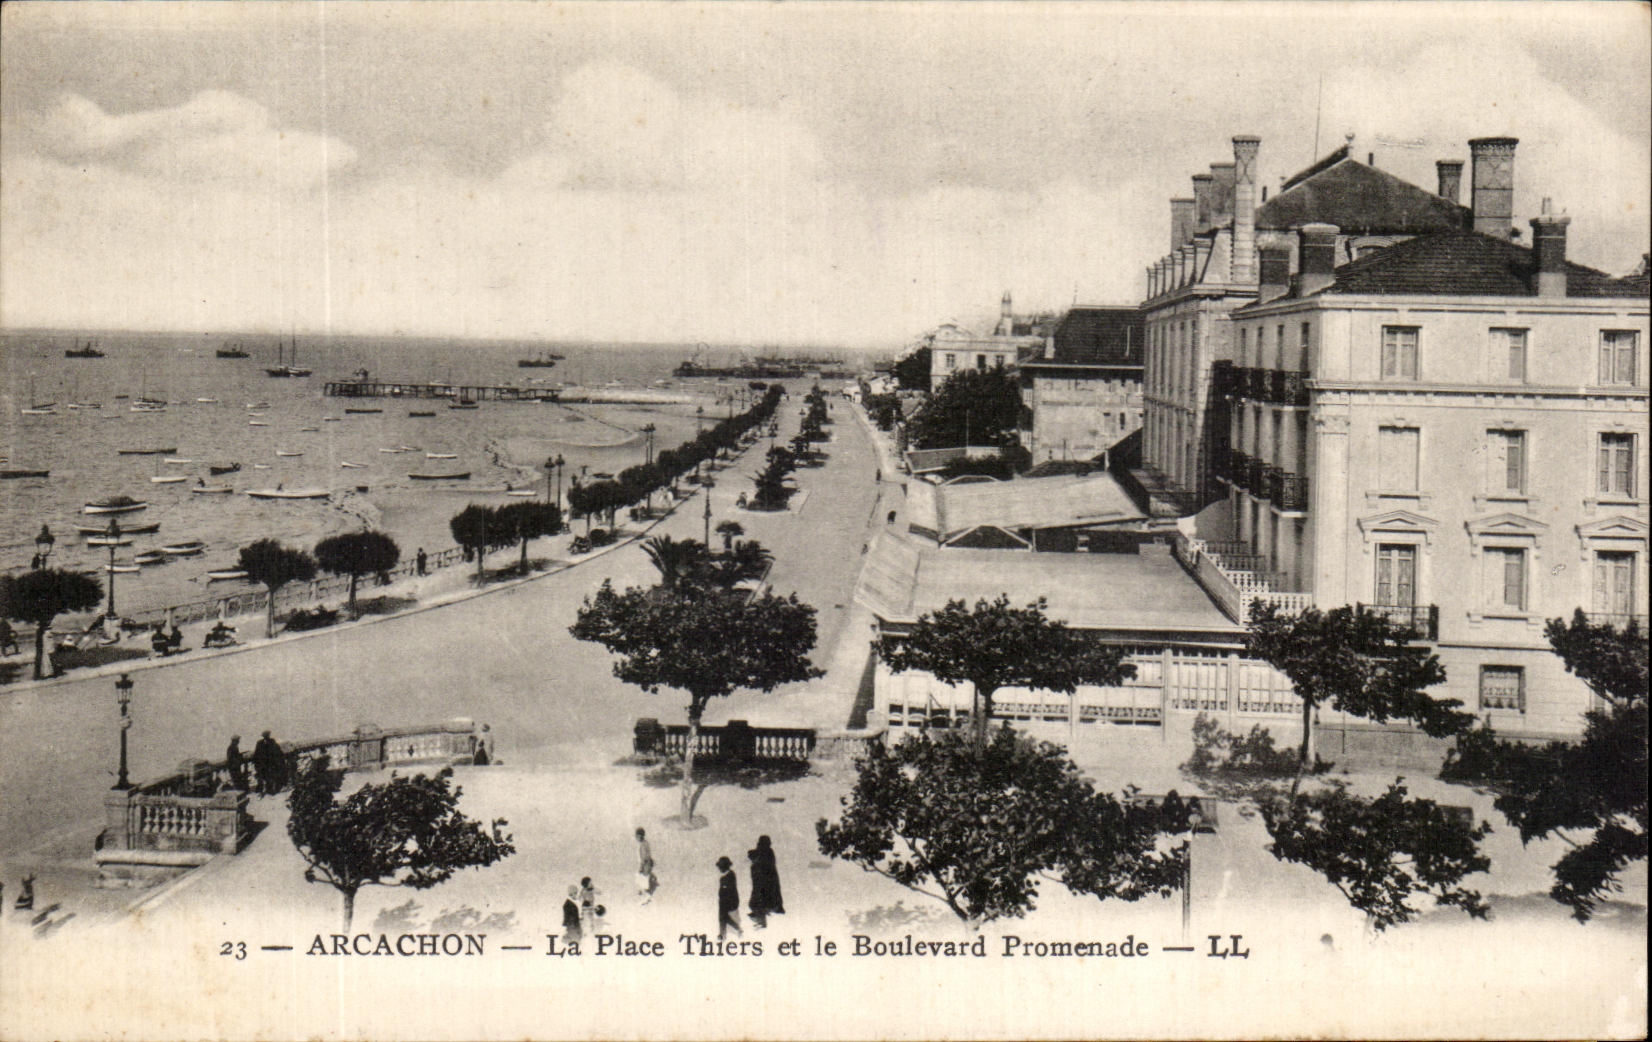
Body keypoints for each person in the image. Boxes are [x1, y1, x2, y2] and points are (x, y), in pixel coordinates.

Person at [747, 835, 785, 928]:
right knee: (761, 902)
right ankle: (761, 920)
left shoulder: (765, 853)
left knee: (759, 902)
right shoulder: (768, 852)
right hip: (766, 881)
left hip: (763, 882)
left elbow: (756, 858)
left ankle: (761, 922)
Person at [716, 856, 742, 940]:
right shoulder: (724, 877)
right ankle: (725, 933)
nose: (719, 869)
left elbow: (729, 890)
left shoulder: (730, 875)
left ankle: (724, 934)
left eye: (720, 867)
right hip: (724, 901)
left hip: (731, 901)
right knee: (722, 915)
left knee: (722, 915)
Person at [252, 730, 283, 796]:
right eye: (265, 736)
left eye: (267, 736)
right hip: (263, 764)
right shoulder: (259, 743)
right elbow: (256, 753)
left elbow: (277, 750)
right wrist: (257, 763)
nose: (266, 737)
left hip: (270, 763)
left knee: (271, 777)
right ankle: (266, 790)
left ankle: (271, 790)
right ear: (263, 736)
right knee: (264, 777)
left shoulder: (272, 741)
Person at [635, 828, 656, 904]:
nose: (636, 838)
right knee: (642, 880)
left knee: (643, 881)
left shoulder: (642, 845)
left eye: (636, 836)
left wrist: (641, 867)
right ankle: (645, 894)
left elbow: (644, 858)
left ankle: (646, 898)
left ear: (639, 836)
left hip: (645, 866)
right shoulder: (646, 843)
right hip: (647, 865)